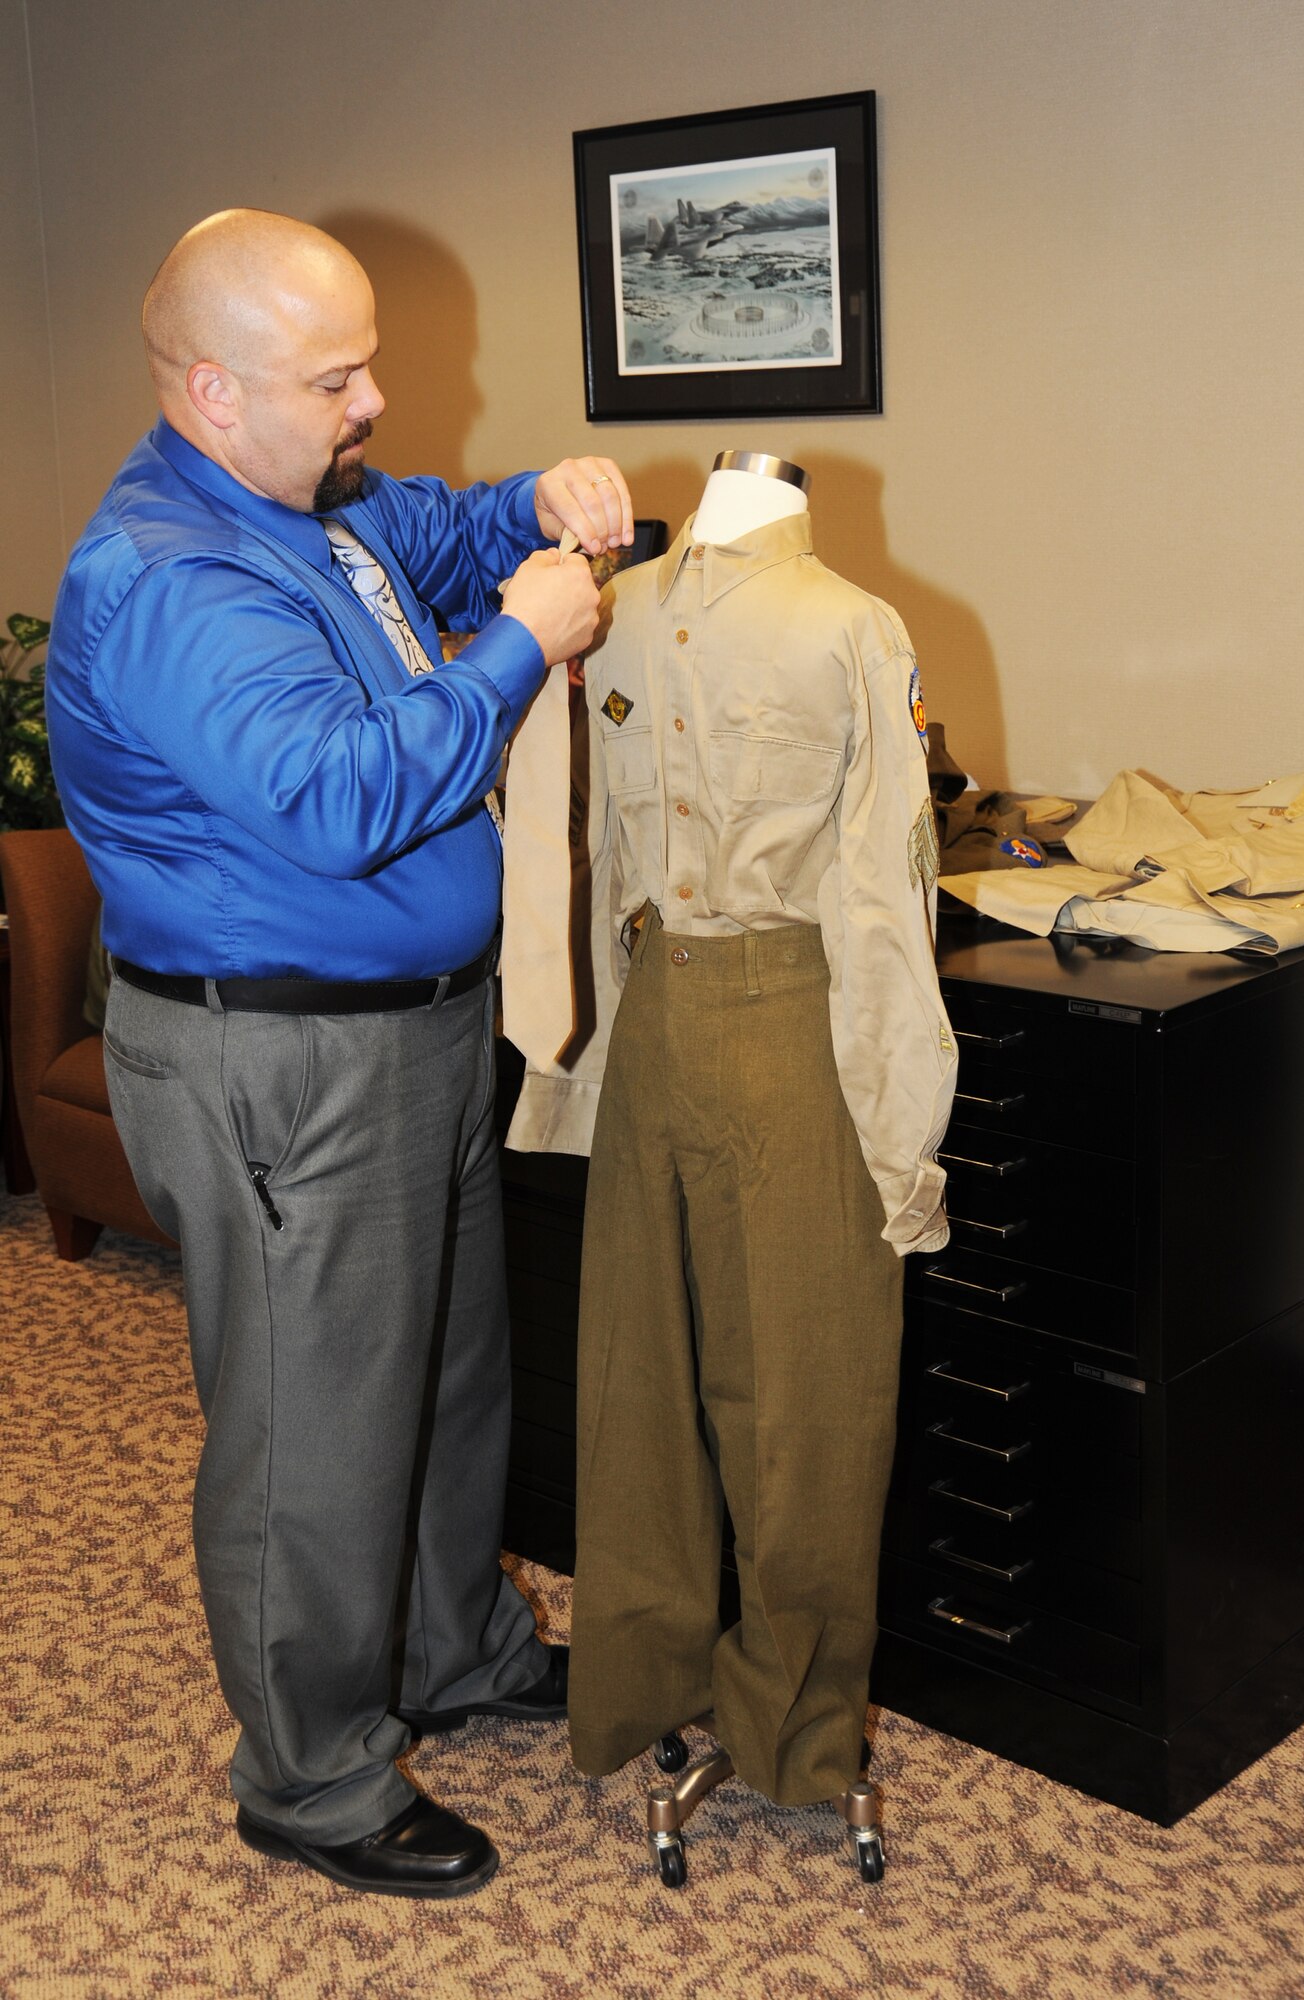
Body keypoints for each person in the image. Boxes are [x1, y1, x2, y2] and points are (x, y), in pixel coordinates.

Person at [45, 208, 632, 1901]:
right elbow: (342, 796)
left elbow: (434, 534)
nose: (376, 397)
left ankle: (456, 1653)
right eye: (338, 374)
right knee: (315, 1431)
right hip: (277, 1068)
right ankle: (310, 1776)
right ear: (214, 391)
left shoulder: (313, 500)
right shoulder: (169, 578)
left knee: (446, 1382)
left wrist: (537, 507)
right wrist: (528, 640)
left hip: (416, 1036)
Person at [510, 451, 954, 1842]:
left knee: (806, 1405)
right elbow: (576, 847)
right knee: (634, 1387)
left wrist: (900, 1130)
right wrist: (565, 1068)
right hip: (648, 1028)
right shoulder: (607, 612)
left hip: (790, 1028)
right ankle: (640, 1681)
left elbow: (885, 895)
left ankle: (800, 1724)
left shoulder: (851, 626)